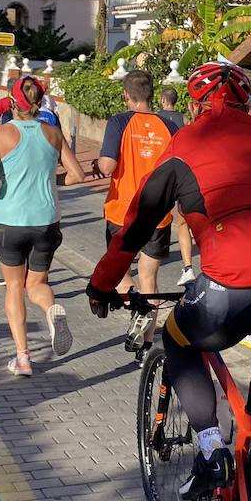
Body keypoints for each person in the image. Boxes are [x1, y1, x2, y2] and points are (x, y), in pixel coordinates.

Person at [86, 60, 251, 501]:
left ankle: (212, 450)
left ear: (196, 105)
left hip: (230, 287)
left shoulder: (186, 143)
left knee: (178, 339)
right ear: (243, 101)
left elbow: (137, 226)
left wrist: (102, 285)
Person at [0, 75, 86, 375]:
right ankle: (52, 313)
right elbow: (77, 176)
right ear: (39, 103)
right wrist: (49, 180)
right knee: (37, 284)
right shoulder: (53, 133)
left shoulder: (0, 135)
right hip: (47, 221)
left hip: (11, 221)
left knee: (14, 287)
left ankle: (23, 358)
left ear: (13, 103)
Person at [98, 69, 180, 344]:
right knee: (150, 278)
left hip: (123, 211)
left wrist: (98, 164)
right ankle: (146, 343)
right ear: (152, 94)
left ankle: (138, 308)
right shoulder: (170, 127)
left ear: (126, 96)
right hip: (158, 213)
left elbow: (107, 165)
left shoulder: (119, 122)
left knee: (121, 273)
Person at [157, 87, 196, 287]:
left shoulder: (156, 119)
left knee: (158, 213)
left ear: (163, 100)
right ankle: (187, 266)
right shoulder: (184, 120)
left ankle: (155, 248)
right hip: (181, 172)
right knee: (183, 221)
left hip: (162, 171)